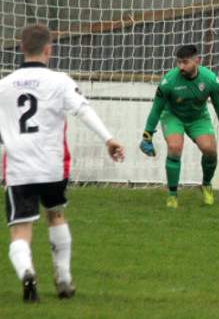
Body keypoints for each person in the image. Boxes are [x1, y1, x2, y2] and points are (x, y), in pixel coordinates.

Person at [0, 24, 125, 302]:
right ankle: (64, 279)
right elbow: (83, 109)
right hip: (52, 167)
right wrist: (109, 139)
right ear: (49, 49)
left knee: (20, 229)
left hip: (19, 169)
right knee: (55, 215)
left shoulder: (4, 86)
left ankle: (27, 273)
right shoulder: (60, 81)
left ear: (21, 48)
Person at [139, 45, 219, 208]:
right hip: (172, 116)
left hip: (198, 118)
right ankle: (172, 195)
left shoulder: (210, 80)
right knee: (175, 147)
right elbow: (156, 109)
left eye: (185, 62)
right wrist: (147, 136)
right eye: (178, 63)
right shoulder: (168, 81)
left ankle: (206, 184)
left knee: (210, 150)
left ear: (197, 61)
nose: (181, 67)